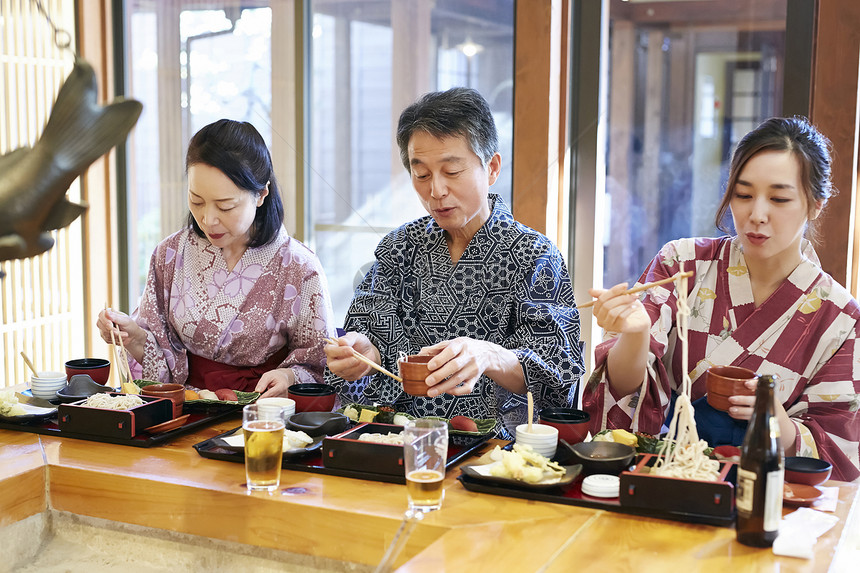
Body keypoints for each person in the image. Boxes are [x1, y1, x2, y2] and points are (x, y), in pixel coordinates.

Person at [582, 117, 860, 481]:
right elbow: (618, 402)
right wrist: (634, 335)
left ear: (815, 205)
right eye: (743, 195)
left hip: (763, 499)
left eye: (779, 198)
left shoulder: (839, 318)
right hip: (662, 478)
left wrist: (777, 421)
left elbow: (840, 449)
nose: (756, 215)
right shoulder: (681, 263)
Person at [325, 87, 583, 435]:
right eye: (422, 175)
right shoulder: (399, 246)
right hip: (397, 437)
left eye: (452, 171)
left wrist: (489, 355)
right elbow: (369, 340)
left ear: (491, 168)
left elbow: (558, 372)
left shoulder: (534, 254)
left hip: (493, 450)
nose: (436, 191)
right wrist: (362, 355)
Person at [97, 119, 335, 398]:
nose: (208, 219)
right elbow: (160, 359)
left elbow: (320, 365)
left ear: (261, 194)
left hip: (261, 414)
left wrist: (288, 375)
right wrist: (134, 337)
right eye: (196, 201)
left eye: (225, 206)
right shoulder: (170, 255)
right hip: (185, 408)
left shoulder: (299, 267)